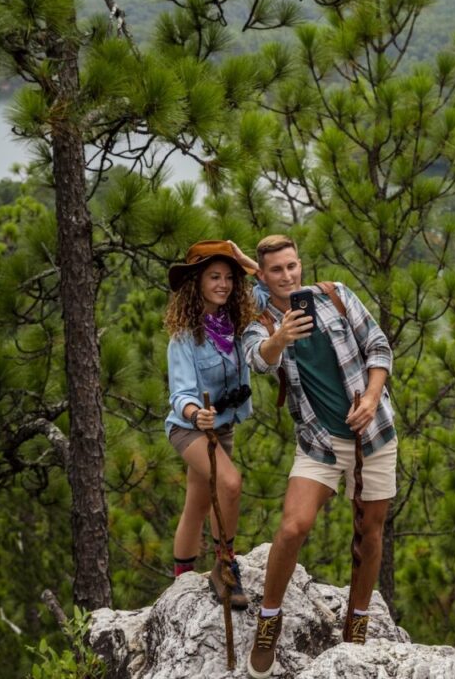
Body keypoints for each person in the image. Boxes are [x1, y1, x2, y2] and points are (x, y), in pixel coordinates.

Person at [240, 234, 398, 678]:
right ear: (263, 275)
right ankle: (268, 621)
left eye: (292, 266)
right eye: (276, 269)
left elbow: (379, 347)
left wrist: (370, 397)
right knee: (293, 527)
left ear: (301, 264)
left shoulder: (337, 296)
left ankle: (357, 624)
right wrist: (280, 337)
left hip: (375, 433)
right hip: (319, 442)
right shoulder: (261, 319)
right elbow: (258, 360)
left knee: (371, 531)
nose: (287, 275)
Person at [164, 240, 261, 610]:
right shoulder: (184, 337)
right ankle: (225, 566)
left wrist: (246, 261)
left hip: (221, 428)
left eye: (228, 277)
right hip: (189, 428)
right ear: (197, 283)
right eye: (214, 277)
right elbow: (181, 394)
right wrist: (195, 413)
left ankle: (181, 579)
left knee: (198, 502)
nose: (223, 284)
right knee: (230, 484)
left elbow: (274, 287)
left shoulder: (237, 325)